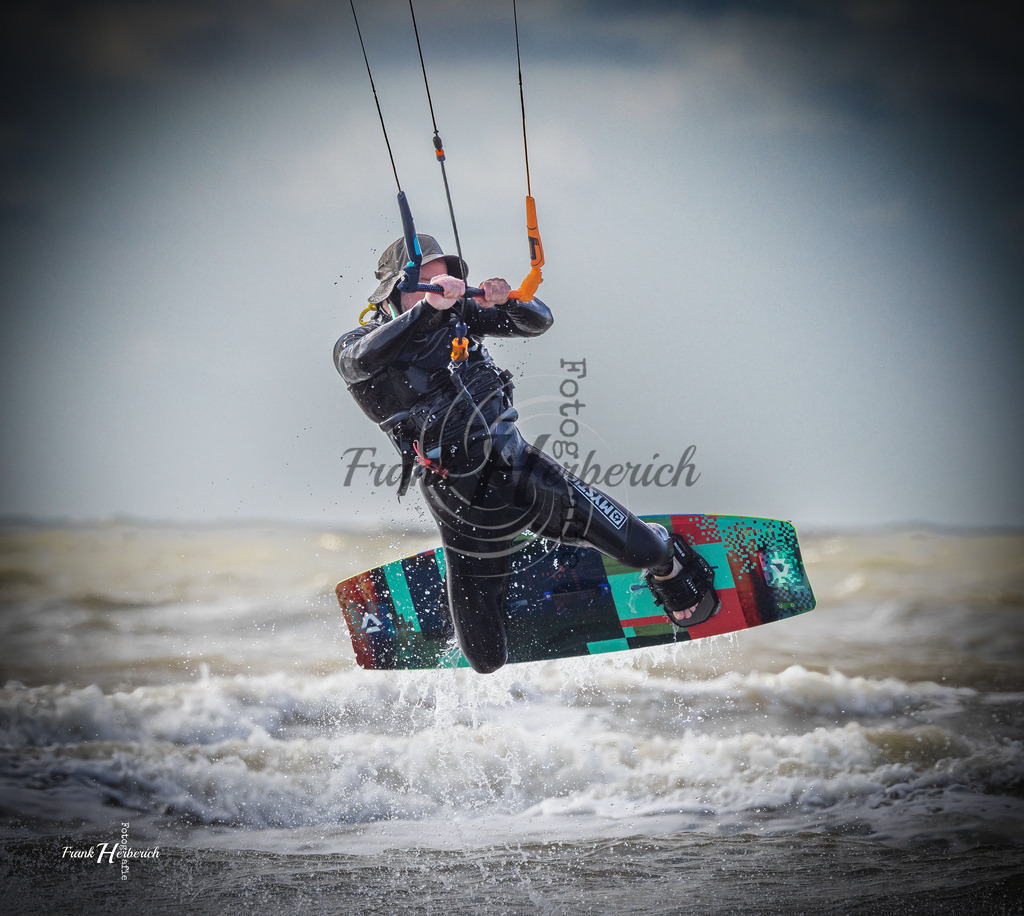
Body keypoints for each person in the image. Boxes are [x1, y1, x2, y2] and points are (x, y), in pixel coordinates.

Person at [334, 234, 719, 673]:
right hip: (458, 505)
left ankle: (667, 555)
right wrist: (428, 309)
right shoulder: (355, 344)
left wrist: (507, 301)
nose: (438, 291)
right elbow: (362, 361)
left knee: (648, 553)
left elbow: (538, 321)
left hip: (523, 473)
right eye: (424, 283)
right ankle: (501, 559)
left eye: (443, 282)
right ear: (392, 292)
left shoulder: (460, 317)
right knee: (484, 660)